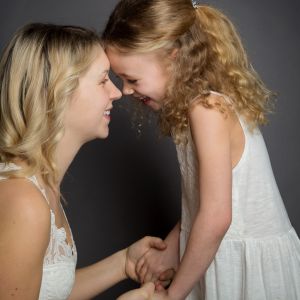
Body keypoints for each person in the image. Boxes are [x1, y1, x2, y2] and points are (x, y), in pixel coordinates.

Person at [102, 0, 300, 299]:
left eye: (132, 79)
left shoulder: (206, 109)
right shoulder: (192, 109)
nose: (126, 90)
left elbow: (217, 216)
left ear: (173, 58)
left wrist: (173, 295)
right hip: (217, 252)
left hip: (245, 262)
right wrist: (171, 249)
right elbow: (204, 198)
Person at [0, 23, 166, 300]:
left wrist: (124, 263)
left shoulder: (39, 186)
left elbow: (44, 290)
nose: (116, 92)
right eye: (102, 80)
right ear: (57, 92)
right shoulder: (24, 202)